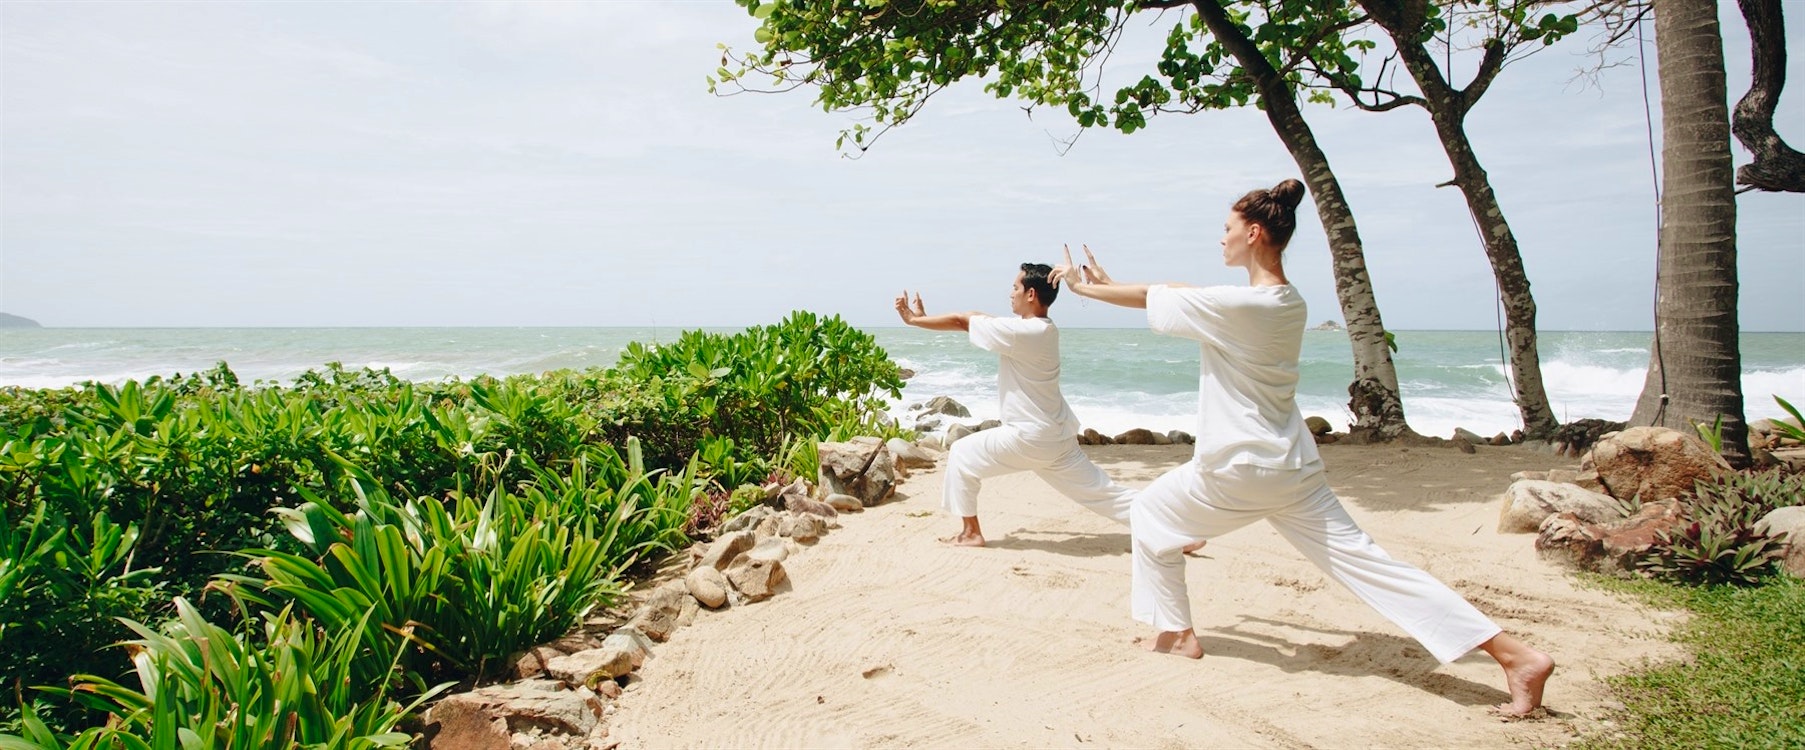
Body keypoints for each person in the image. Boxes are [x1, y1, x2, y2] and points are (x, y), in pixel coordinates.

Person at [1050, 180, 1555, 716]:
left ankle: (1176, 635)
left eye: (1226, 230)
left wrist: (1084, 290)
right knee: (1373, 566)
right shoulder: (1286, 302)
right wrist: (1112, 284)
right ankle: (1514, 655)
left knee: (1151, 513)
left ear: (1252, 232)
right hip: (1291, 467)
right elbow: (1175, 288)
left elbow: (1165, 295)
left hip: (1240, 467)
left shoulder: (1241, 306)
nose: (1219, 239)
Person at [893, 262, 1139, 548]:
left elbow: (965, 320)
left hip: (1030, 438)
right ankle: (1171, 530)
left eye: (1015, 287)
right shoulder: (1042, 330)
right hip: (1057, 437)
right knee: (1104, 492)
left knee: (961, 453)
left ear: (1031, 294)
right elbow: (980, 319)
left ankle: (970, 533)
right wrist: (928, 318)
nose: (1010, 294)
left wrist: (915, 320)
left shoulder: (1021, 333)